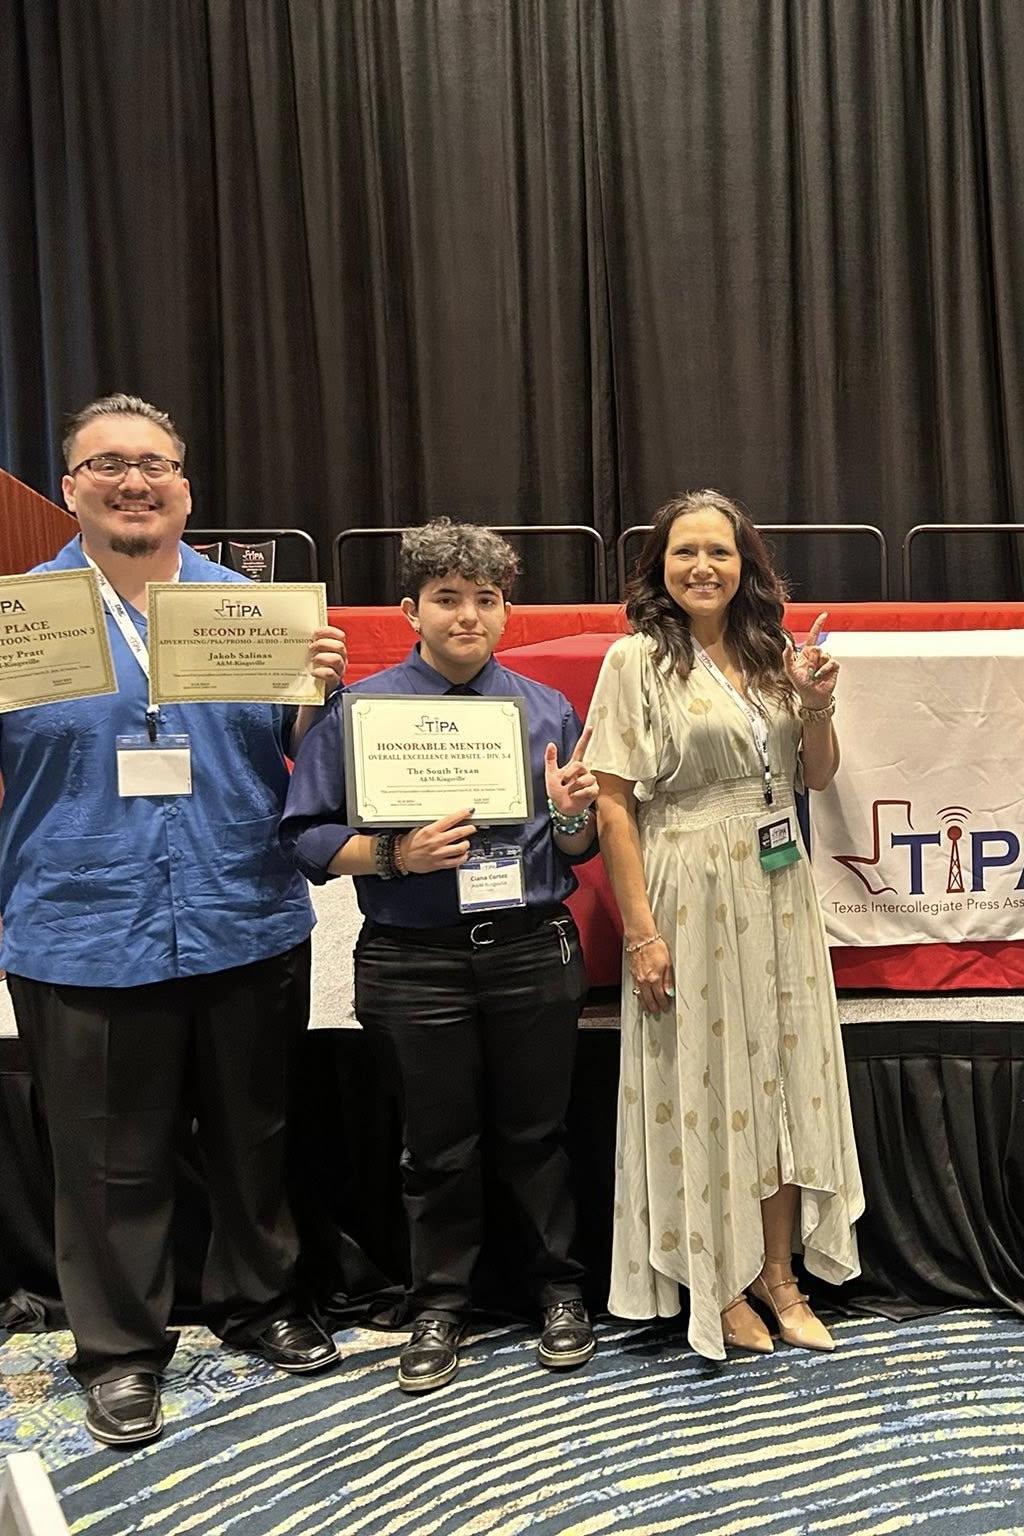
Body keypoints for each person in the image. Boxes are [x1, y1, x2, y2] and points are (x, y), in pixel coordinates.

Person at [0, 394, 345, 1446]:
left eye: (155, 465)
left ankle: (260, 1305)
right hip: (83, 930)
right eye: (109, 465)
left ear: (185, 486)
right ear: (72, 486)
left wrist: (317, 693)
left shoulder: (253, 609)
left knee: (252, 1136)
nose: (135, 482)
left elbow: (300, 761)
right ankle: (122, 1354)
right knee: (104, 1159)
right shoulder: (11, 620)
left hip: (244, 915)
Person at [280, 519, 600, 1393]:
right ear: (410, 611)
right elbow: (307, 840)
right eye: (448, 600)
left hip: (531, 947)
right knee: (436, 1146)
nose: (469, 616)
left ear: (506, 612)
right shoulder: (359, 710)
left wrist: (573, 814)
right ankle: (439, 1305)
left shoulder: (545, 708)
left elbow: (575, 852)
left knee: (539, 1135)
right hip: (411, 958)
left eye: (486, 600)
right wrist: (394, 856)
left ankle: (559, 1292)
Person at [583, 490, 864, 1360]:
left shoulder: (773, 653)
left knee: (783, 1082)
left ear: (746, 566)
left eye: (720, 552)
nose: (703, 567)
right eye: (684, 553)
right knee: (708, 1085)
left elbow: (815, 776)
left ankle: (782, 1277)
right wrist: (641, 932)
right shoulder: (636, 662)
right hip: (686, 887)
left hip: (777, 890)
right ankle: (723, 1280)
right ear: (660, 568)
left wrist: (815, 705)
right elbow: (614, 805)